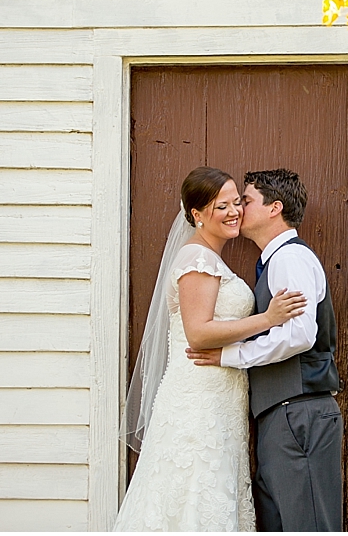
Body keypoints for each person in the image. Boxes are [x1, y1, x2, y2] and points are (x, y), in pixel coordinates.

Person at [114, 166, 306, 532]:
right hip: (199, 398)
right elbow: (198, 333)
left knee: (213, 493)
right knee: (194, 491)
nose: (234, 211)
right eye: (222, 206)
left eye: (237, 202)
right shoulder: (197, 260)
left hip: (221, 396)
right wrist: (269, 318)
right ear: (197, 215)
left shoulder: (211, 259)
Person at [187, 168, 343, 532]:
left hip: (299, 413)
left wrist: (232, 356)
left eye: (246, 200)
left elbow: (299, 335)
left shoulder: (290, 259)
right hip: (282, 414)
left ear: (274, 208)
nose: (239, 208)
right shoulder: (275, 262)